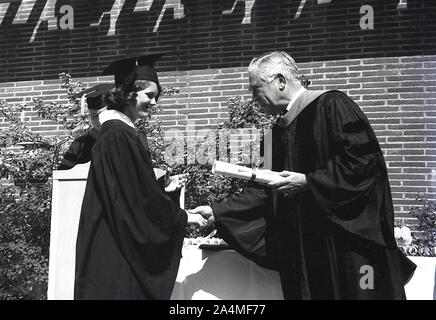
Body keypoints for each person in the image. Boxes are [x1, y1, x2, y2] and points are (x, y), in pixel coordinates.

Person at [191, 51, 416, 300]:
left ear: (280, 80)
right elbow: (266, 189)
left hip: (347, 245)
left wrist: (309, 182)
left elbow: (364, 167)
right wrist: (218, 211)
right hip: (307, 249)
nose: (253, 99)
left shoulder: (332, 106)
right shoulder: (278, 131)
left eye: (256, 89)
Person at [74, 54, 207, 300]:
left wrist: (161, 186)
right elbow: (131, 202)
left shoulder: (121, 133)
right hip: (116, 253)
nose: (154, 102)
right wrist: (181, 217)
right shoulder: (117, 136)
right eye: (149, 95)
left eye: (157, 96)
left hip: (115, 244)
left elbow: (128, 187)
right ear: (128, 93)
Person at [58, 83, 112, 170]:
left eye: (103, 114)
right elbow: (63, 174)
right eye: (94, 115)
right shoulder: (79, 144)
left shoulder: (125, 138)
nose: (99, 120)